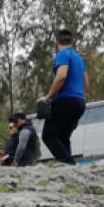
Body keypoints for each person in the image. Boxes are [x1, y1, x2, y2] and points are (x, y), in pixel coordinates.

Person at [38, 29, 88, 165]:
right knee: (63, 136)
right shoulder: (78, 58)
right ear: (72, 41)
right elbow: (86, 83)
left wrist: (48, 97)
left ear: (56, 43)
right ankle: (67, 167)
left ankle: (70, 164)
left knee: (48, 135)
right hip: (80, 102)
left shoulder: (62, 54)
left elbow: (61, 76)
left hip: (65, 100)